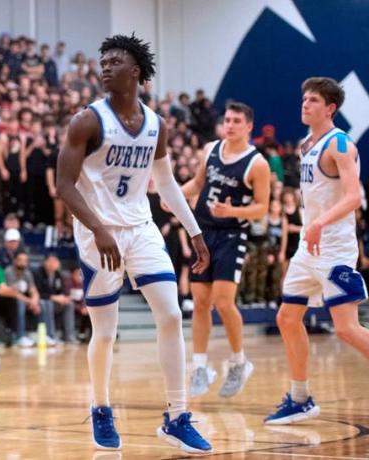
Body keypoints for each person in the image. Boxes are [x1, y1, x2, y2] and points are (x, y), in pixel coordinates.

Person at [55, 34, 212, 453]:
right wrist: (98, 228)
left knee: (171, 313)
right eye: (102, 61)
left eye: (115, 61)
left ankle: (177, 416)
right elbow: (64, 186)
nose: (104, 66)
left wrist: (194, 232)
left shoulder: (156, 125)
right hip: (96, 232)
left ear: (136, 72)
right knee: (105, 331)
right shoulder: (86, 121)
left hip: (141, 227)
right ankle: (101, 407)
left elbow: (167, 186)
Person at [265, 78, 369, 425]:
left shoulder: (341, 144)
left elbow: (354, 196)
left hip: (334, 250)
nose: (304, 104)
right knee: (286, 318)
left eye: (312, 100)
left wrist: (318, 222)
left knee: (346, 329)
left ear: (330, 108)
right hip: (308, 249)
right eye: (304, 98)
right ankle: (300, 398)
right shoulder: (307, 144)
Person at [181, 101, 271, 398]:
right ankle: (200, 366)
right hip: (203, 232)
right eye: (227, 120)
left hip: (232, 234)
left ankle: (238, 362)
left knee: (222, 301)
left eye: (236, 121)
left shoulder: (257, 164)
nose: (229, 125)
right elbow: (197, 183)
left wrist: (232, 213)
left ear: (248, 127)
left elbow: (261, 208)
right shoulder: (210, 150)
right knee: (200, 302)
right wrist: (172, 197)